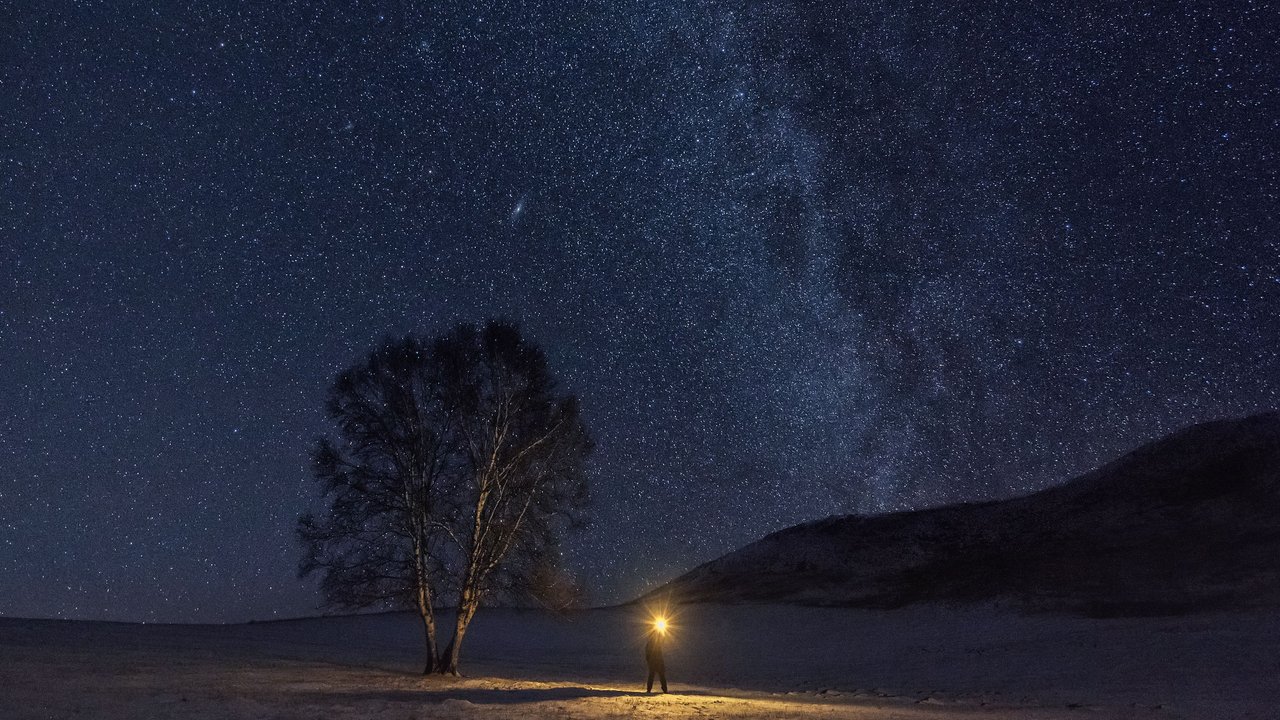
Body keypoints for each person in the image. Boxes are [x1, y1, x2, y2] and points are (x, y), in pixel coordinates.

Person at [645, 626, 668, 693]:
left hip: (655, 662)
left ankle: (649, 690)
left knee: (654, 676)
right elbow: (663, 639)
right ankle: (664, 690)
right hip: (657, 662)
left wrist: (648, 661)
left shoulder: (651, 643)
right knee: (660, 676)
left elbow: (647, 655)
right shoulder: (654, 643)